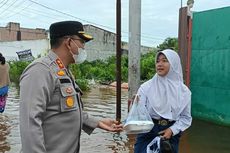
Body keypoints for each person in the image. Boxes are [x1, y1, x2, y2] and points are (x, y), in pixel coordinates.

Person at [19, 21, 123, 153]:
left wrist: (97, 122)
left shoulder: (65, 72)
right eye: (82, 42)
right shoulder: (40, 71)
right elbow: (30, 123)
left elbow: (68, 110)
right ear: (68, 42)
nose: (83, 48)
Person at [134, 49, 192, 153]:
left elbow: (185, 118)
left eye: (164, 60)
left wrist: (172, 130)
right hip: (148, 130)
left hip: (171, 131)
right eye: (157, 61)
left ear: (174, 64)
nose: (160, 64)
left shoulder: (184, 92)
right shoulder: (146, 87)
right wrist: (135, 107)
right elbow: (138, 114)